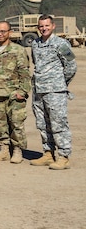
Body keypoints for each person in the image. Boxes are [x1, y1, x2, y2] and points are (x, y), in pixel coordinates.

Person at [30, 14, 77, 170]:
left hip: (55, 91)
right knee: (42, 124)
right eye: (41, 26)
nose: (44, 28)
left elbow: (71, 66)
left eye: (46, 26)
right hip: (38, 90)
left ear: (53, 26)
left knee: (58, 124)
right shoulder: (35, 44)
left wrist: (60, 83)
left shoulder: (61, 43)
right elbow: (36, 63)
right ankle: (48, 153)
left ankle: (64, 156)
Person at [0, 21, 30, 164]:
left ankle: (17, 150)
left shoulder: (18, 50)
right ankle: (3, 149)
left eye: (3, 31)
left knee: (16, 124)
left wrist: (23, 91)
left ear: (10, 32)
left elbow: (25, 73)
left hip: (14, 95)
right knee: (0, 124)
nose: (0, 34)